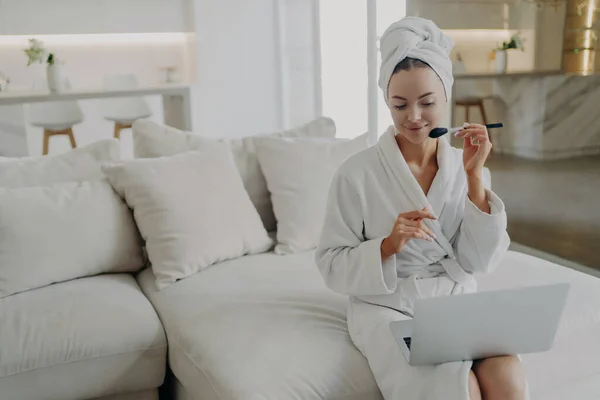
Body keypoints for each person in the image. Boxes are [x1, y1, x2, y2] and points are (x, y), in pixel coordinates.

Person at [314, 16, 529, 400]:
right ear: (387, 102)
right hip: (388, 308)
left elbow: (479, 262)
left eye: (427, 102)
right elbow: (330, 264)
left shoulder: (466, 168)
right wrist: (387, 246)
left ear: (446, 96)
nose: (413, 116)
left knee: (506, 373)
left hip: (453, 300)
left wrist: (475, 178)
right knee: (454, 385)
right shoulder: (356, 173)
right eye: (399, 105)